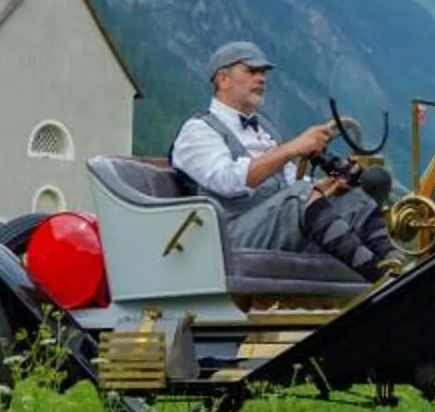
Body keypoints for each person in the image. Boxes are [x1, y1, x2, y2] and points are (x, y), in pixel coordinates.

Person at [168, 41, 397, 278]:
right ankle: (378, 277)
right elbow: (228, 180)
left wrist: (327, 187)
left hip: (275, 225)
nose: (262, 79)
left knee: (354, 198)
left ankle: (396, 263)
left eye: (263, 73)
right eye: (251, 71)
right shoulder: (197, 131)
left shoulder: (264, 129)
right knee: (300, 195)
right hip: (230, 235)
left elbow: (289, 181)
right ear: (223, 79)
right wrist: (293, 147)